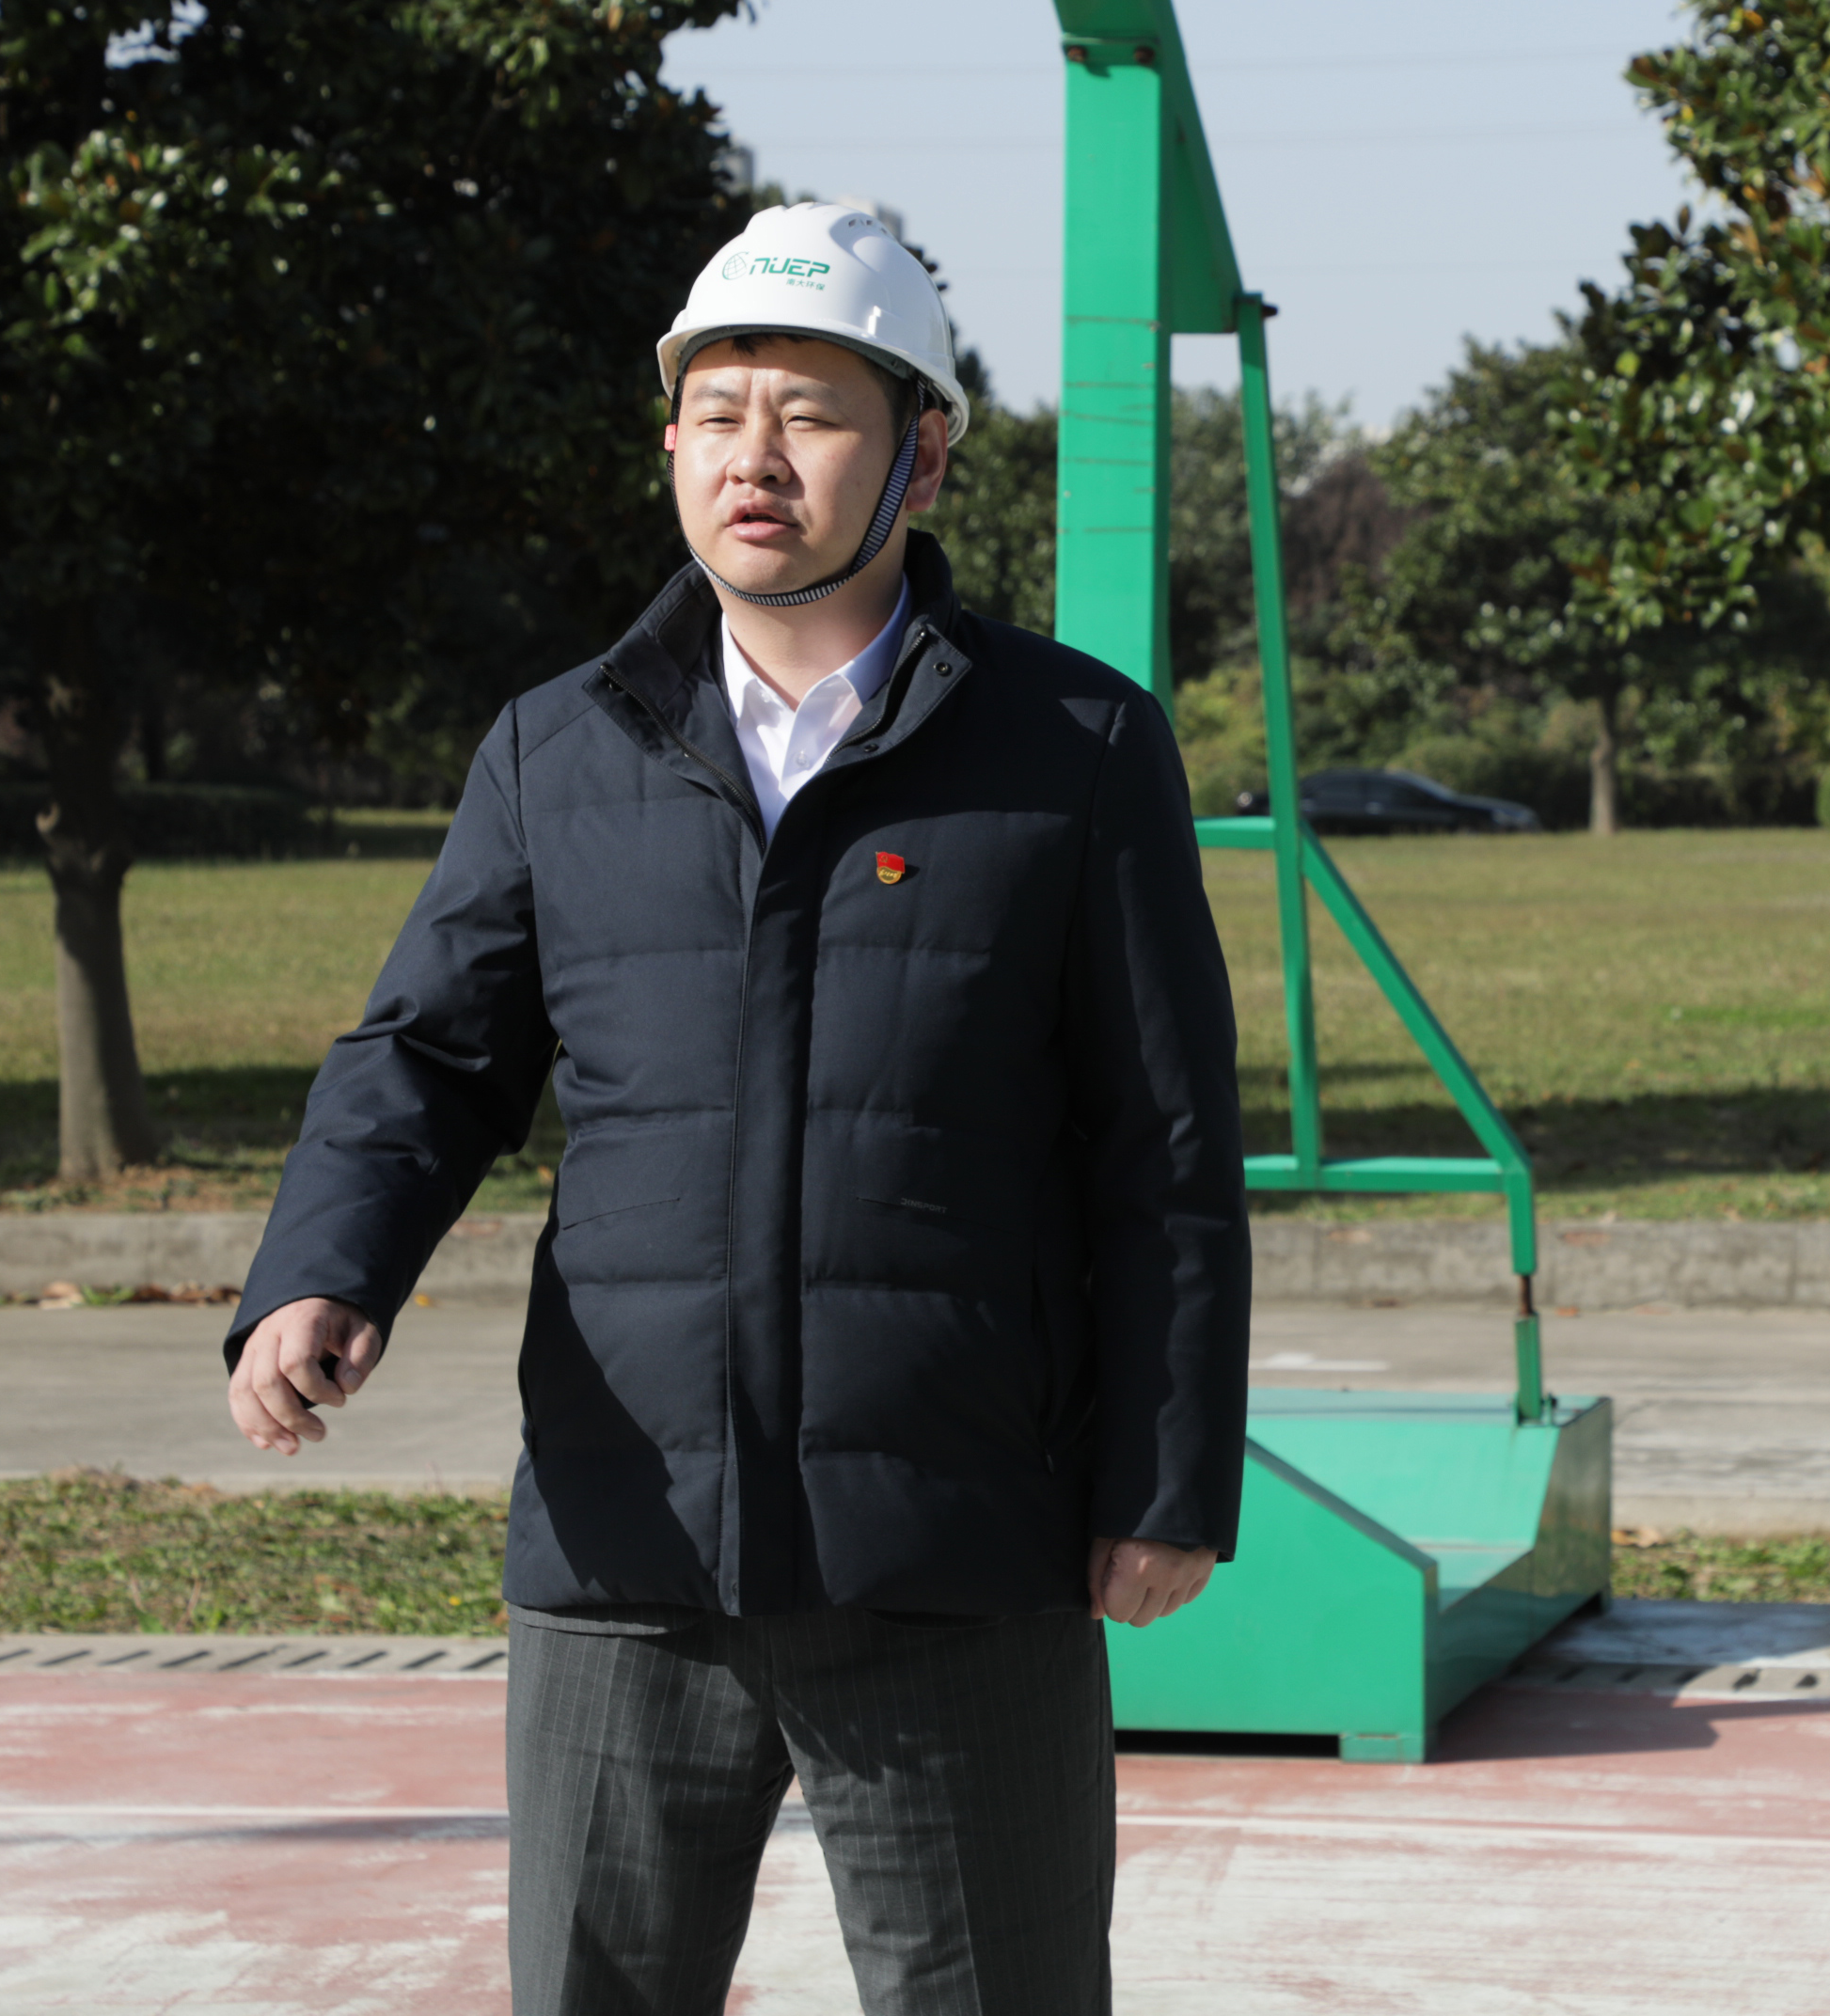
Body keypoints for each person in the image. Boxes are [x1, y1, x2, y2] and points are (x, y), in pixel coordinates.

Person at [221, 201, 1249, 2015]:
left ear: (922, 454)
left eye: (812, 414)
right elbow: (427, 1058)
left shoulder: (1076, 749)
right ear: (671, 446)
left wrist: (1167, 1478)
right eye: (717, 413)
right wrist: (321, 1271)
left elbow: (1162, 1148)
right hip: (626, 1547)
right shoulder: (557, 748)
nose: (753, 458)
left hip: (953, 1551)